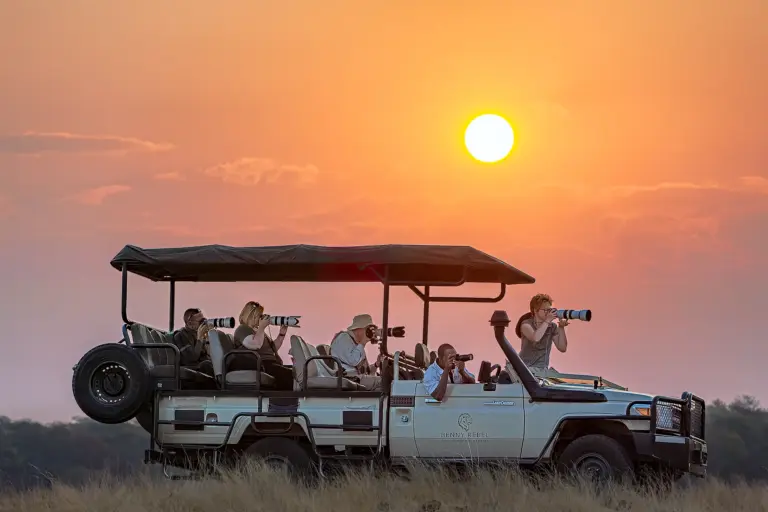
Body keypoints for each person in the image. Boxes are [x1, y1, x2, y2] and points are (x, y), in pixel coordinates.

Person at [329, 314, 383, 391]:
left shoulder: (357, 344)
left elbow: (366, 373)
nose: (370, 333)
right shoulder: (343, 338)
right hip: (349, 379)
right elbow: (353, 361)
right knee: (385, 382)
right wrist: (363, 342)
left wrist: (376, 364)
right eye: (368, 330)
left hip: (356, 378)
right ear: (358, 329)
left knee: (383, 386)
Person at [516, 293, 568, 371]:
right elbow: (536, 338)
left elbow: (562, 348)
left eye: (549, 309)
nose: (548, 312)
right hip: (525, 369)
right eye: (545, 310)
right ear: (535, 310)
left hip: (541, 370)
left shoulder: (552, 327)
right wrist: (547, 320)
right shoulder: (526, 324)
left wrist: (561, 327)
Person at [171, 308, 213, 374]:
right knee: (207, 365)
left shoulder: (197, 334)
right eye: (201, 322)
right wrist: (199, 339)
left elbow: (209, 354)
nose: (203, 324)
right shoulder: (180, 335)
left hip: (203, 364)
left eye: (204, 320)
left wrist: (210, 335)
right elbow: (192, 358)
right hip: (192, 367)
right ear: (190, 323)